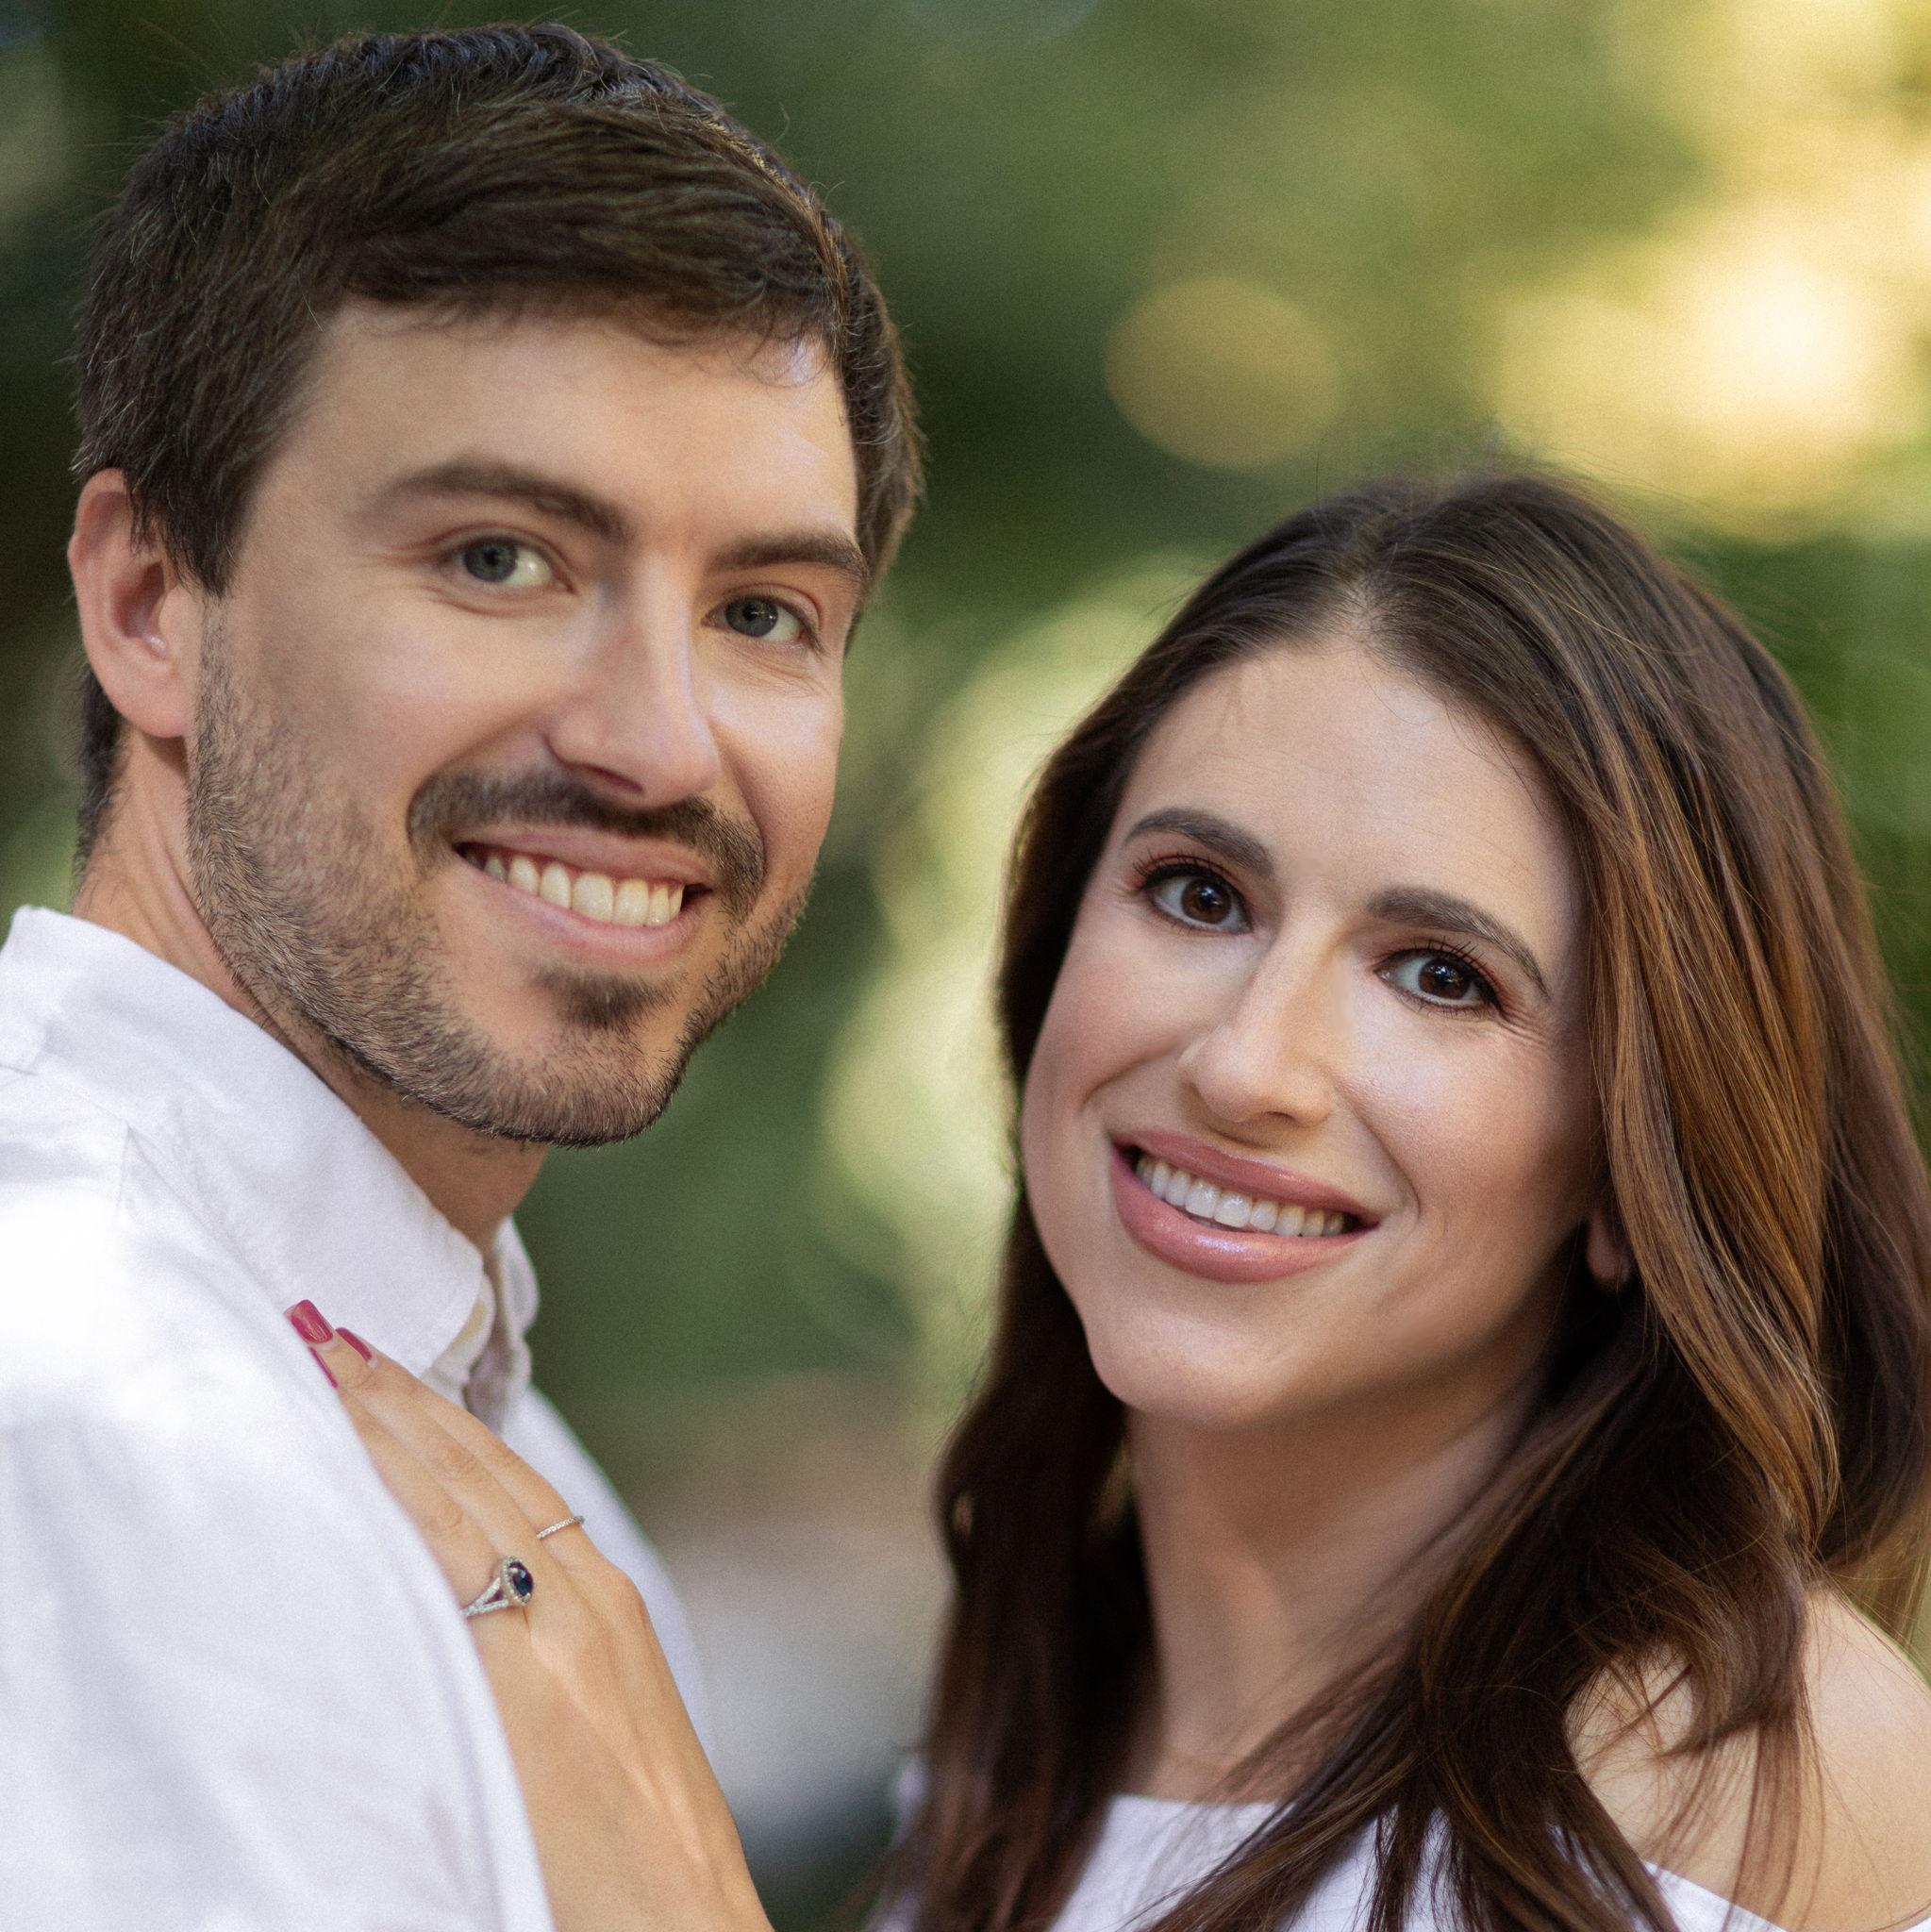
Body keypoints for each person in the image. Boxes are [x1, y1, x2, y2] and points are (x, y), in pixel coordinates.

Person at [304, 473, 1931, 1932]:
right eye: (1198, 894)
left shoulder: (1756, 1780)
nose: (1247, 1063)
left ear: (1637, 1165)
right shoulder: (1021, 1744)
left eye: (1442, 975)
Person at [0, 23, 916, 1929]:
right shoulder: (95, 1408)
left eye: (762, 611)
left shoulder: (480, 1441)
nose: (656, 743)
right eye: (501, 560)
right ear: (151, 606)